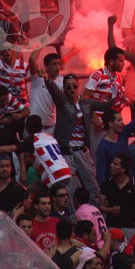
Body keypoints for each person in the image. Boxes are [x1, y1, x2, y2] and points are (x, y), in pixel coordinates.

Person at [47, 72, 111, 201]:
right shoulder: (62, 102)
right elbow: (54, 91)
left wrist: (118, 96)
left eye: (74, 86)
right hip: (66, 153)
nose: (71, 90)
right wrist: (47, 80)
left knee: (92, 186)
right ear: (64, 89)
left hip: (82, 151)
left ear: (78, 86)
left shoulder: (86, 103)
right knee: (68, 189)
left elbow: (105, 106)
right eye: (68, 87)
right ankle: (71, 217)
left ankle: (97, 215)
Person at [96, 97, 135, 185]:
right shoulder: (103, 147)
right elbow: (100, 175)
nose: (123, 122)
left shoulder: (123, 133)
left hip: (126, 182)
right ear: (110, 124)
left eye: (122, 119)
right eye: (119, 120)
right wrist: (106, 191)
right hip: (113, 186)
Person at [99, 153, 135, 240]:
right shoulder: (107, 184)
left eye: (115, 164)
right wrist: (110, 210)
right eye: (112, 163)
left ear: (123, 168)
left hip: (130, 227)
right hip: (112, 226)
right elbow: (101, 206)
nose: (111, 165)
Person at [25, 115, 72, 190]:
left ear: (27, 128)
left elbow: (27, 160)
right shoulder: (50, 137)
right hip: (66, 171)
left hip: (54, 175)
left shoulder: (31, 141)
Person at [74, 187, 109, 252]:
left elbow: (87, 232)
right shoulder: (95, 208)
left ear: (75, 199)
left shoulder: (80, 212)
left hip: (96, 246)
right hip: (105, 243)